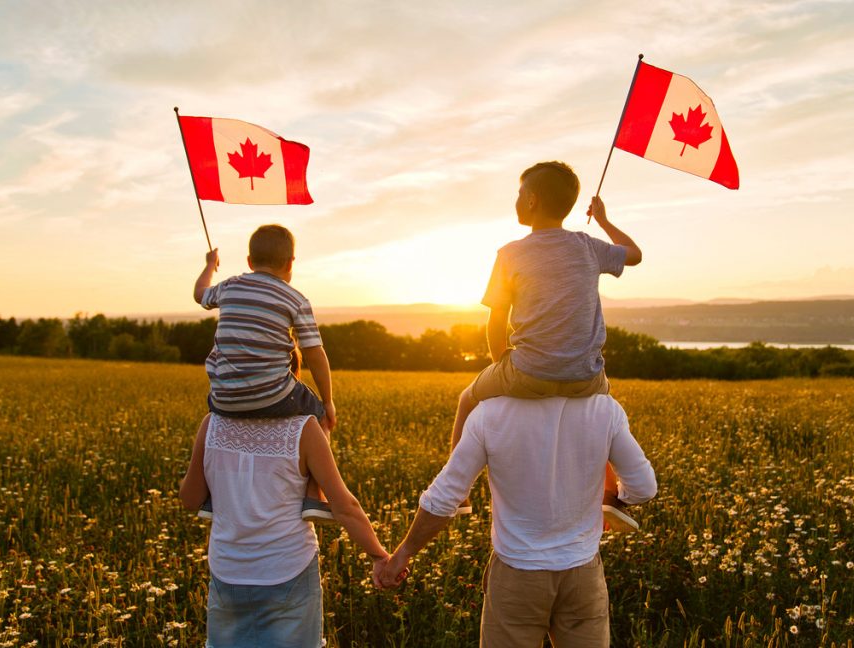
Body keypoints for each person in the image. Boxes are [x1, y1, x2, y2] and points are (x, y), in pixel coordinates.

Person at [448, 161, 643, 528]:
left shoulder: (509, 254)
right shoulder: (588, 246)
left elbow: (496, 320)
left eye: (520, 193)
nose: (517, 199)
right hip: (586, 377)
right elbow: (634, 253)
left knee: (466, 400)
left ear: (533, 200)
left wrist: (499, 364)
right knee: (600, 407)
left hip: (528, 373)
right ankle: (610, 493)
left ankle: (458, 493)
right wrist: (602, 220)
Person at [377, 394, 657, 647]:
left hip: (516, 575)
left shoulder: (491, 412)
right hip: (582, 573)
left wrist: (403, 554)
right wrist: (614, 499)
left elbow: (444, 497)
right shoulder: (604, 408)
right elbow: (643, 487)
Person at [179, 411, 390, 647]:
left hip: (228, 571)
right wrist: (379, 556)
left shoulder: (212, 424)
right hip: (290, 570)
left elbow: (189, 499)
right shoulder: (304, 428)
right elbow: (345, 507)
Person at [194, 224, 336, 522]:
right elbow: (314, 353)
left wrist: (210, 265)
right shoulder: (295, 299)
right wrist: (328, 401)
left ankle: (209, 496)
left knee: (217, 426)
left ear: (249, 261)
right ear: (290, 263)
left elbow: (199, 294)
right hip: (273, 395)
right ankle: (314, 494)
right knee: (319, 417)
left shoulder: (229, 286)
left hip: (222, 399)